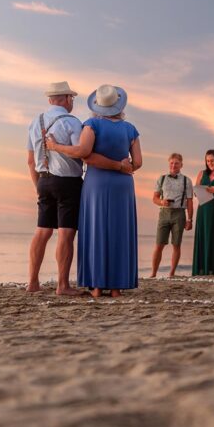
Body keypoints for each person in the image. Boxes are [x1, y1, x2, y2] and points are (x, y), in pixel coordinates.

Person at [46, 84, 142, 297]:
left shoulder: (91, 125)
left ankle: (97, 286)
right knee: (119, 230)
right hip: (123, 185)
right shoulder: (131, 129)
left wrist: (55, 147)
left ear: (97, 105)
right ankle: (117, 287)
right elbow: (137, 163)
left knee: (96, 229)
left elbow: (84, 153)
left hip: (96, 184)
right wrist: (124, 166)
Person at [26, 81, 86, 295]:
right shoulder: (72, 122)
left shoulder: (36, 122)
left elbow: (30, 161)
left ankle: (32, 283)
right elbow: (80, 151)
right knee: (66, 233)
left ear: (51, 99)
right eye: (71, 98)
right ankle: (63, 285)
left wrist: (38, 186)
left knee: (42, 231)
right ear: (67, 99)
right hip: (67, 181)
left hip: (43, 180)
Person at [150, 153, 194, 278]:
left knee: (176, 244)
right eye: (172, 163)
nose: (174, 165)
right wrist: (161, 202)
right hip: (164, 213)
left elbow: (190, 201)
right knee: (159, 244)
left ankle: (172, 273)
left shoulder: (187, 181)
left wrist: (190, 219)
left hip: (179, 213)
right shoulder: (162, 178)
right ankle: (153, 274)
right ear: (169, 163)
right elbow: (154, 198)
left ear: (181, 165)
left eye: (176, 163)